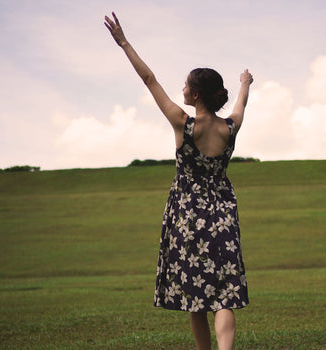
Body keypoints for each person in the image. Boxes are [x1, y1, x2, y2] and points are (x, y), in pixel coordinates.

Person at [105, 12, 253, 350]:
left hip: (186, 216)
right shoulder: (231, 127)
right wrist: (244, 82)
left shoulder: (181, 123)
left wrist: (124, 43)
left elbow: (148, 78)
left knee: (196, 295)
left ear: (196, 95)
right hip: (222, 216)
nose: (182, 89)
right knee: (224, 292)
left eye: (186, 85)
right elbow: (242, 103)